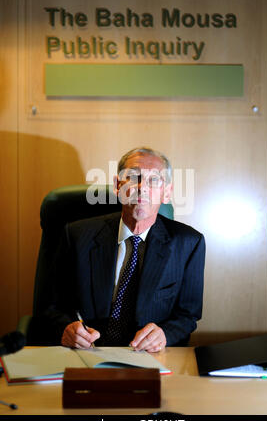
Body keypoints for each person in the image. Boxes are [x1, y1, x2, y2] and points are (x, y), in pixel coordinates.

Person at [44, 147, 205, 352]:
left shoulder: (189, 243)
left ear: (167, 193)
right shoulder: (77, 236)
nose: (141, 187)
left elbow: (187, 316)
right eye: (132, 177)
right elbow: (51, 306)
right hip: (88, 353)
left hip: (150, 357)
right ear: (117, 186)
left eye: (154, 180)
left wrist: (165, 334)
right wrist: (65, 328)